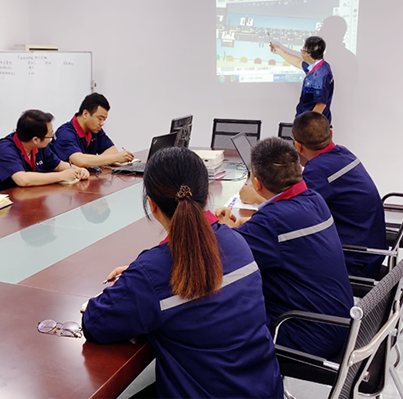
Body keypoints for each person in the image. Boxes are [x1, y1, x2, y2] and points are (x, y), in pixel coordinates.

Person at [83, 147, 283, 398]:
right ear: (206, 196)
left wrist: (134, 283)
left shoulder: (151, 273)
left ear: (151, 204)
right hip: (265, 389)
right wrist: (139, 280)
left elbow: (95, 323)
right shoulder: (237, 242)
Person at [216, 137, 353, 358]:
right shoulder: (314, 199)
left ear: (257, 183)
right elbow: (280, 233)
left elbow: (225, 256)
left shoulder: (271, 224)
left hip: (304, 333)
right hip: (337, 323)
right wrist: (245, 226)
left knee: (215, 321)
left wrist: (223, 228)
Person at [293, 112, 387, 278]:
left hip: (353, 261)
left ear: (298, 147)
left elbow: (297, 214)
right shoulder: (343, 153)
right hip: (371, 249)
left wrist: (262, 197)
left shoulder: (318, 170)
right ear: (331, 133)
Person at [0, 109, 89, 193]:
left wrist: (77, 170)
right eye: (49, 136)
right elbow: (23, 180)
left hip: (27, 196)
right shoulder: (5, 149)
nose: (51, 139)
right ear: (35, 140)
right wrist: (62, 176)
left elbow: (58, 165)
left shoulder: (40, 146)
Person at [49, 93, 134, 167]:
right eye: (100, 118)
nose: (102, 123)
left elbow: (112, 150)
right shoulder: (65, 133)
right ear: (85, 114)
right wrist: (115, 158)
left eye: (104, 120)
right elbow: (80, 161)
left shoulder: (95, 130)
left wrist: (93, 161)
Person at [271, 36, 334, 123]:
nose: (302, 52)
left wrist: (308, 125)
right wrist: (279, 51)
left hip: (312, 124)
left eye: (303, 50)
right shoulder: (318, 65)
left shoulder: (320, 75)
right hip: (306, 119)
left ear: (308, 54)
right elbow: (298, 62)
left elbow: (321, 105)